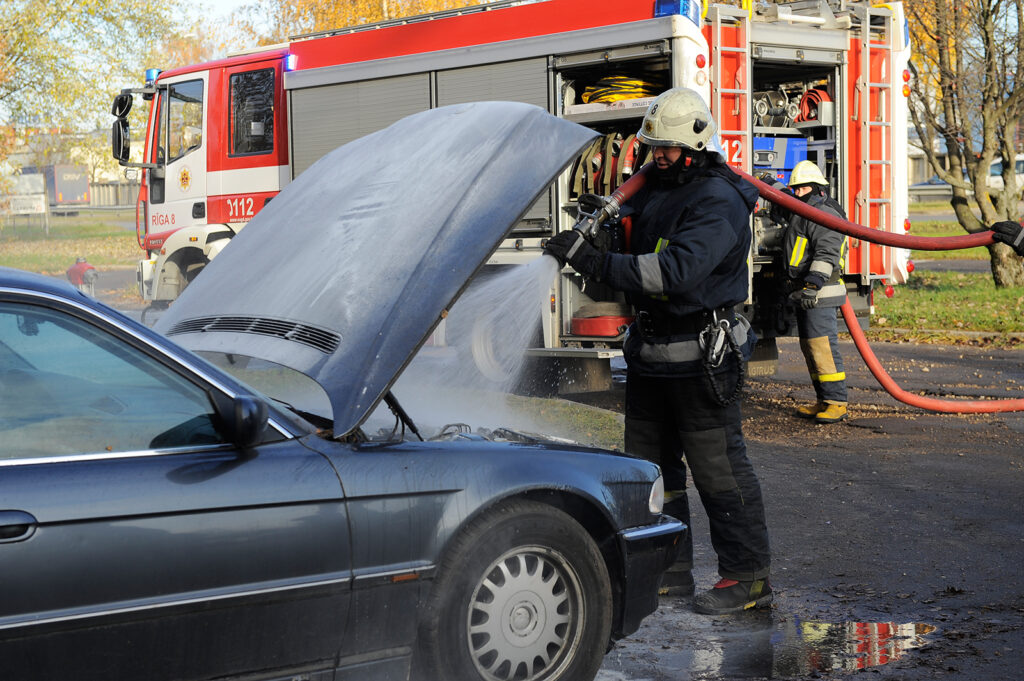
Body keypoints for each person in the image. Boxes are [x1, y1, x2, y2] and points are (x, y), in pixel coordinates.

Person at [544, 87, 772, 615]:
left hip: (700, 357)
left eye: (667, 147)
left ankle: (748, 576)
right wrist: (596, 246)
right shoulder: (652, 189)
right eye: (653, 145)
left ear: (696, 143)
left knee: (718, 471)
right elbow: (635, 253)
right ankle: (667, 570)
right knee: (650, 472)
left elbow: (675, 272)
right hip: (650, 354)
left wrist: (597, 264)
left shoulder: (719, 198)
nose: (657, 155)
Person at [758, 161, 850, 424]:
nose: (798, 193)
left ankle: (836, 402)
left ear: (818, 188)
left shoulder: (825, 214)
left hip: (820, 290)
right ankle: (824, 400)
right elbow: (787, 202)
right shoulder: (806, 208)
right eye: (795, 189)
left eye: (803, 188)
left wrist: (813, 284)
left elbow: (827, 253)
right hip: (807, 291)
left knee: (822, 347)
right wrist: (767, 182)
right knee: (811, 346)